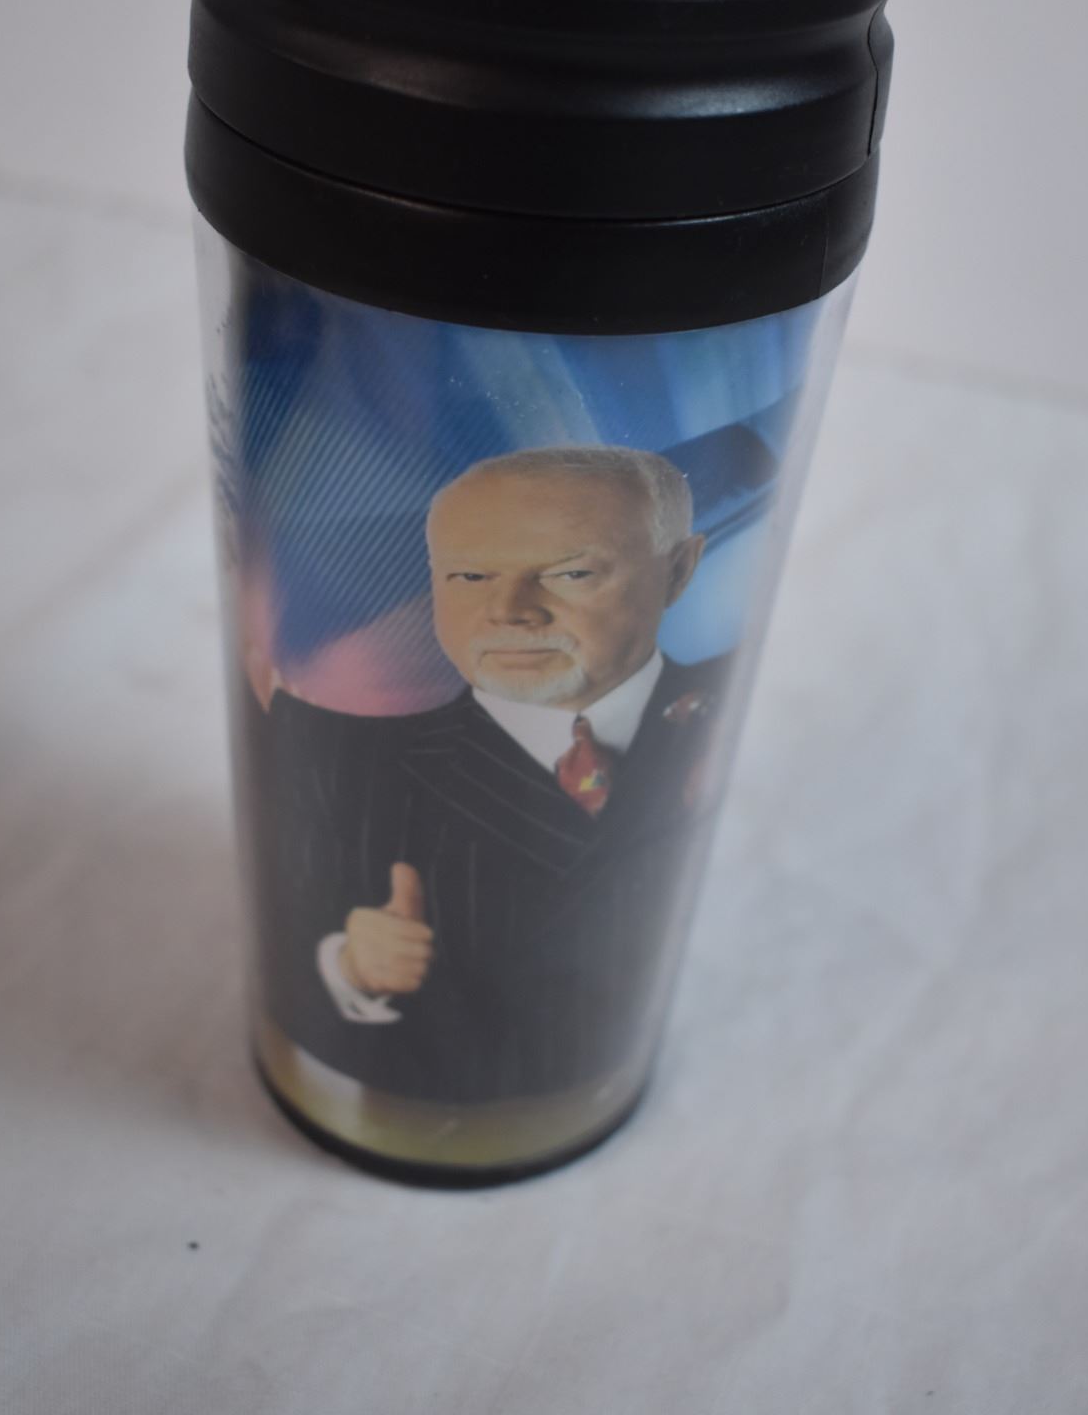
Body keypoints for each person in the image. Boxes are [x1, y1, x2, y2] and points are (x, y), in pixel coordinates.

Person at [245, 445, 736, 1105]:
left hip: (659, 1074)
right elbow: (282, 928)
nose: (510, 610)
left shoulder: (722, 703)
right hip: (423, 1105)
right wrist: (350, 966)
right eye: (470, 576)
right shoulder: (338, 759)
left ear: (678, 570)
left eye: (571, 573)